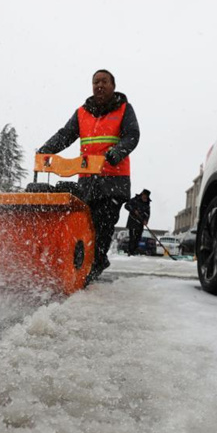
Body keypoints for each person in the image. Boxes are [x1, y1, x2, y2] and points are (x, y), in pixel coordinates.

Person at [38, 69, 140, 282]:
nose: (99, 86)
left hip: (114, 179)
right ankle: (85, 265)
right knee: (86, 226)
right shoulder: (82, 113)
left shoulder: (124, 110)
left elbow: (132, 135)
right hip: (87, 181)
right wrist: (45, 151)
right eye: (95, 82)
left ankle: (96, 264)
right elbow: (65, 135)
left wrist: (116, 152)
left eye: (104, 82)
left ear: (113, 85)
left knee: (103, 225)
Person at [124, 189, 151, 256]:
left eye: (146, 197)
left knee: (138, 238)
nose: (145, 197)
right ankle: (130, 252)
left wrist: (146, 220)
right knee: (132, 238)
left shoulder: (147, 203)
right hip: (132, 221)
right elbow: (126, 206)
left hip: (140, 223)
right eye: (144, 196)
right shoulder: (135, 199)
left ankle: (135, 251)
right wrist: (133, 210)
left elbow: (148, 213)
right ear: (142, 194)